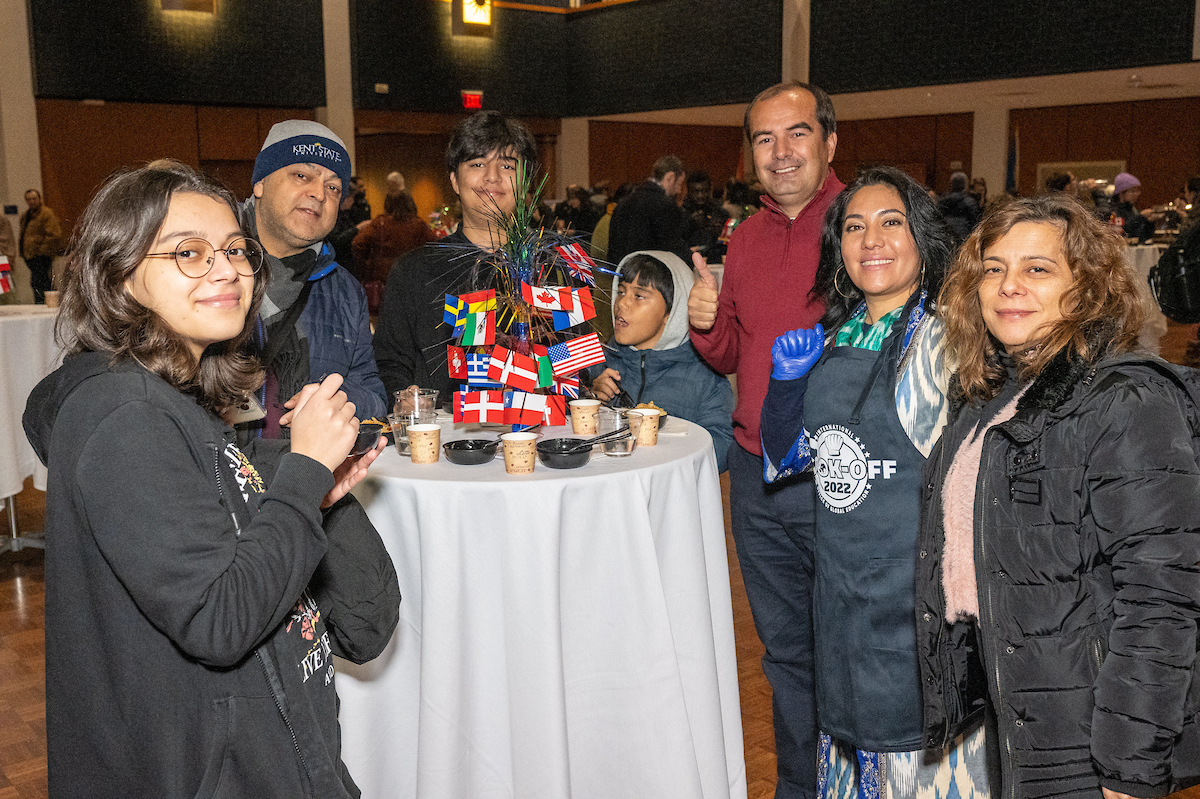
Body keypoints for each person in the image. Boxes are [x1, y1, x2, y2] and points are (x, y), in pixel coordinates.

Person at [22, 159, 400, 797]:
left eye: (233, 249)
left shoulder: (168, 398)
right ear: (120, 276)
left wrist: (302, 494)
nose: (225, 270)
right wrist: (303, 469)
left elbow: (205, 547)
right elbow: (218, 618)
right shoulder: (126, 415)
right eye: (188, 253)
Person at [918, 194, 1200, 799]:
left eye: (1037, 269)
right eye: (993, 269)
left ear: (1087, 289)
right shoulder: (990, 393)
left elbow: (1162, 600)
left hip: (1091, 731)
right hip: (1018, 706)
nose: (1009, 286)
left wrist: (1129, 767)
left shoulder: (1127, 401)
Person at [760, 166, 992, 799]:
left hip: (918, 610)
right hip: (840, 601)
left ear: (921, 238)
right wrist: (785, 386)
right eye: (855, 227)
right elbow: (785, 462)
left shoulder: (950, 342)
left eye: (892, 223)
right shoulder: (835, 336)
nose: (872, 240)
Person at [688, 80, 844, 799]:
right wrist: (705, 319)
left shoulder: (863, 225)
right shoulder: (744, 237)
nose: (781, 153)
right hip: (755, 478)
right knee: (784, 656)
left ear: (830, 141)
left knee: (848, 649)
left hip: (839, 478)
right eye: (763, 138)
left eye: (797, 134)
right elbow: (728, 357)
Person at [373, 110, 538, 403]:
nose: (492, 177)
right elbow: (388, 365)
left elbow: (578, 363)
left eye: (507, 165)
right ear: (454, 180)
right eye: (477, 163)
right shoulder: (414, 271)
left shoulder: (550, 268)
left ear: (525, 181)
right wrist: (402, 395)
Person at [242, 120, 387, 439]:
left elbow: (374, 398)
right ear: (260, 183)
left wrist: (342, 399)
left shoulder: (345, 291)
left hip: (307, 480)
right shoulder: (206, 267)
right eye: (301, 175)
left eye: (333, 187)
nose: (319, 193)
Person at [589, 250, 734, 470]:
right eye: (620, 291)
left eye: (639, 296)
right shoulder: (602, 361)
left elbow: (722, 449)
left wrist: (666, 450)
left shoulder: (704, 375)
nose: (621, 304)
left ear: (672, 311)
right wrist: (593, 399)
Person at [351, 190, 435, 315]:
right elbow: (434, 247)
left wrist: (368, 265)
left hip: (383, 280)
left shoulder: (380, 223)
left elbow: (358, 244)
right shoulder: (419, 225)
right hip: (412, 280)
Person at [607, 155, 689, 264]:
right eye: (679, 183)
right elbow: (672, 247)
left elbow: (612, 248)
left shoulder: (623, 203)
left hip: (622, 273)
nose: (678, 191)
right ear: (670, 177)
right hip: (649, 275)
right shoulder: (665, 206)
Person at [19, 188, 63, 304]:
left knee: (43, 282)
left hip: (41, 256)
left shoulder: (47, 214)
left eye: (34, 199)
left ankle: (46, 303)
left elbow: (54, 235)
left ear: (39, 199)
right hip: (30, 256)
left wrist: (41, 252)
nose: (31, 202)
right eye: (29, 199)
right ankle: (39, 302)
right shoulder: (26, 216)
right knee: (35, 283)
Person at [682, 169, 731, 261]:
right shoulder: (682, 214)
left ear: (709, 191)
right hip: (691, 260)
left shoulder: (720, 213)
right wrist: (691, 223)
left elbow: (728, 241)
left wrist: (718, 233)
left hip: (716, 260)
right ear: (689, 192)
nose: (700, 195)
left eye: (704, 191)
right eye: (696, 192)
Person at [1110, 171, 1155, 242]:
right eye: (1133, 191)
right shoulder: (1113, 210)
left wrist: (1149, 222)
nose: (1136, 194)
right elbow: (1124, 230)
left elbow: (1143, 236)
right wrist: (1141, 217)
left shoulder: (1133, 209)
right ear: (1121, 193)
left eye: (1138, 191)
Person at [937, 171, 981, 243]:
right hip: (964, 238)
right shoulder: (969, 202)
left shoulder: (942, 201)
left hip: (945, 237)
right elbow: (975, 223)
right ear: (965, 185)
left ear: (951, 184)